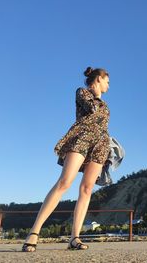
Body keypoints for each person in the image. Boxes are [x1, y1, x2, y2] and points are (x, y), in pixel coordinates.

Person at [22, 67, 111, 252]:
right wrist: (96, 96)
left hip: (100, 145)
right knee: (64, 183)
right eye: (107, 81)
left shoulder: (106, 105)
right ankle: (34, 232)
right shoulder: (82, 92)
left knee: (86, 189)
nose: (108, 85)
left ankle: (74, 238)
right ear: (98, 79)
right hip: (82, 139)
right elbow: (92, 110)